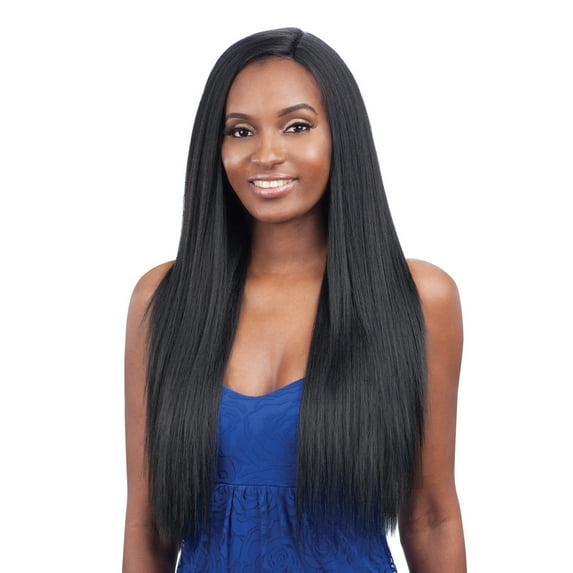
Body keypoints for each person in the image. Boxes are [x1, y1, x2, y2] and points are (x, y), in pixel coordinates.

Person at [122, 27, 466, 572]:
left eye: (297, 126)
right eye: (240, 131)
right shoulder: (165, 302)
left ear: (340, 135)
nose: (266, 154)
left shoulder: (417, 300)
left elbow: (430, 516)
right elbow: (147, 527)